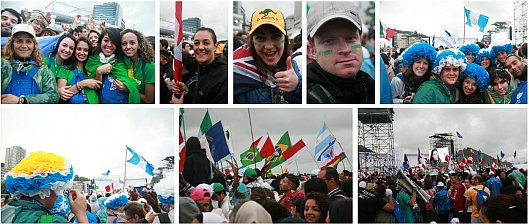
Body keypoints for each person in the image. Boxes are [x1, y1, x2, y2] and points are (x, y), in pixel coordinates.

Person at [307, 2, 374, 104]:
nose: (345, 49)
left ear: (360, 41)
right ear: (312, 50)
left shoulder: (370, 87)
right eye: (329, 41)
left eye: (351, 38)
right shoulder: (306, 96)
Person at [233, 7, 301, 104]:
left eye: (276, 36)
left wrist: (298, 86)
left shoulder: (292, 65)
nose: (269, 46)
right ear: (252, 41)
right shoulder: (236, 70)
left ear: (285, 39)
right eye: (260, 38)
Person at [1, 151, 88, 223]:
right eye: (59, 189)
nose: (58, 196)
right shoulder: (52, 221)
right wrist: (81, 214)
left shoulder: (4, 210)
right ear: (49, 190)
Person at [1, 24, 59, 104]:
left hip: (33, 116)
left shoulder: (43, 70)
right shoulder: (3, 66)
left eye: (28, 41)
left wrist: (22, 100)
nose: (24, 46)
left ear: (34, 45)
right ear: (12, 44)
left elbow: (53, 96)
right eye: (19, 41)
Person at [172, 27, 228, 104]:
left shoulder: (225, 75)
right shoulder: (202, 68)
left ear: (215, 46)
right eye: (196, 43)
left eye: (206, 43)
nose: (200, 47)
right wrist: (186, 91)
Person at [86, 27, 140, 104]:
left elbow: (134, 84)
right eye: (106, 40)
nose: (109, 45)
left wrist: (127, 88)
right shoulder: (92, 61)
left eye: (113, 42)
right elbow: (94, 88)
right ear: (100, 41)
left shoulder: (125, 61)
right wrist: (99, 72)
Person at [57, 36, 101, 104]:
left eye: (86, 50)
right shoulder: (65, 69)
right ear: (74, 50)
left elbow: (98, 87)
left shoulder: (92, 69)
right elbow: (63, 95)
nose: (82, 53)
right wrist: (83, 84)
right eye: (79, 49)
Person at [121, 29, 155, 103]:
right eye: (124, 44)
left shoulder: (149, 67)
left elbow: (149, 100)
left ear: (139, 45)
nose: (128, 46)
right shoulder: (120, 64)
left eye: (132, 43)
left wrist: (129, 89)